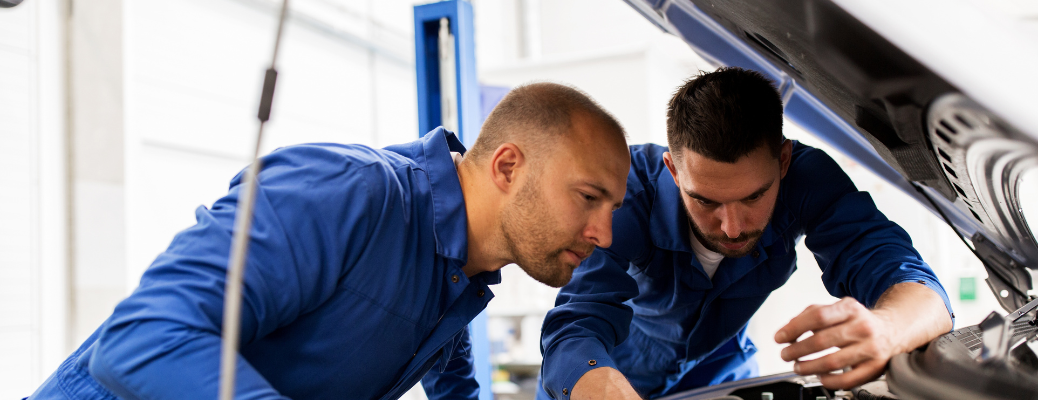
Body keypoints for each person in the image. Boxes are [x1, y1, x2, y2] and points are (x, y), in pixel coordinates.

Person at [28, 82, 631, 400]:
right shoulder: (347, 192)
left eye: (614, 208)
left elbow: (453, 380)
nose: (604, 235)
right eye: (587, 197)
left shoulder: (463, 279)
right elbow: (142, 338)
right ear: (507, 167)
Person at [538, 67, 954, 400]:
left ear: (784, 161)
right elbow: (575, 328)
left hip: (719, 373)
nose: (732, 228)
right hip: (605, 379)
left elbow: (914, 285)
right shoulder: (621, 193)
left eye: (755, 196)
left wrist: (887, 329)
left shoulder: (809, 181)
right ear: (673, 170)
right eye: (706, 201)